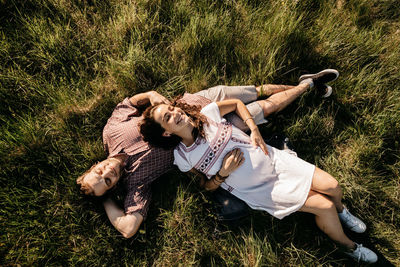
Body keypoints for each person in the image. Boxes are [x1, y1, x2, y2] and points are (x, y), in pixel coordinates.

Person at [139, 71, 378, 263]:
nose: (175, 113)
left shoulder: (207, 114)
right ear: (166, 132)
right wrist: (223, 173)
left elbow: (234, 104)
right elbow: (205, 186)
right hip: (263, 191)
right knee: (323, 205)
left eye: (171, 109)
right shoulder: (183, 157)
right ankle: (349, 246)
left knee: (333, 187)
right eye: (167, 118)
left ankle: (341, 212)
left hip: (275, 161)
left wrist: (253, 129)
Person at [76, 70, 337, 238]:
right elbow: (128, 227)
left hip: (200, 103)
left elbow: (131, 103)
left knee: (256, 90)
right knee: (265, 108)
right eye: (108, 181)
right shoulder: (136, 183)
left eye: (98, 172)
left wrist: (155, 98)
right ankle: (306, 86)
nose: (107, 172)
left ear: (94, 165)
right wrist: (105, 200)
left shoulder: (111, 132)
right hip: (211, 138)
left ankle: (304, 83)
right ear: (114, 186)